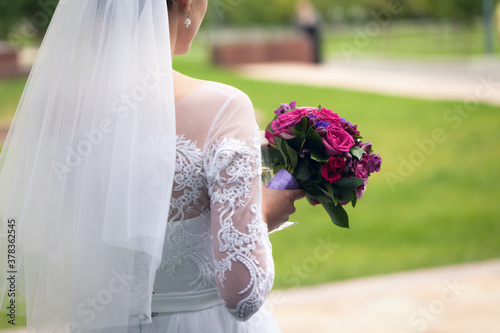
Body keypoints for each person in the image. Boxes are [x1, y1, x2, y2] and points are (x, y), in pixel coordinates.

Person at [0, 0, 304, 332]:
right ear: (186, 4)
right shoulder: (224, 109)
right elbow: (243, 295)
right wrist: (264, 212)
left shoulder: (61, 108)